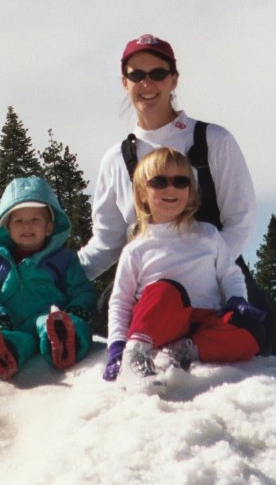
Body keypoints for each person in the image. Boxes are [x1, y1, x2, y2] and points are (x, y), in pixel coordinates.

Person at [78, 33, 275, 355]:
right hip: (148, 286)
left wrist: (199, 270)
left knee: (254, 331)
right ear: (124, 82)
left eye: (157, 73)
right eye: (137, 75)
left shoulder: (213, 140)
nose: (147, 83)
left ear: (174, 79)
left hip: (218, 280)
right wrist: (55, 275)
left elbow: (240, 222)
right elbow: (107, 241)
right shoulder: (116, 159)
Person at [101, 148, 266, 389]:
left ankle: (182, 350)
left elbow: (230, 273)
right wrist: (117, 346)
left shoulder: (207, 235)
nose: (171, 189)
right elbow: (120, 301)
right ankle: (135, 356)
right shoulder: (137, 249)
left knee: (252, 332)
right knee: (166, 292)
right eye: (159, 182)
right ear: (141, 193)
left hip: (204, 322)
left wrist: (236, 300)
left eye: (180, 182)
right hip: (158, 322)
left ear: (190, 191)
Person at [0, 176, 98, 380]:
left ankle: (66, 341)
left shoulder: (62, 260)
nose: (27, 226)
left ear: (49, 227)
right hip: (10, 323)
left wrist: (78, 309)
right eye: (19, 221)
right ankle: (0, 353)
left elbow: (82, 290)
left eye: (35, 220)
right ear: (7, 227)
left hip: (51, 318)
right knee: (13, 340)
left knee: (69, 325)